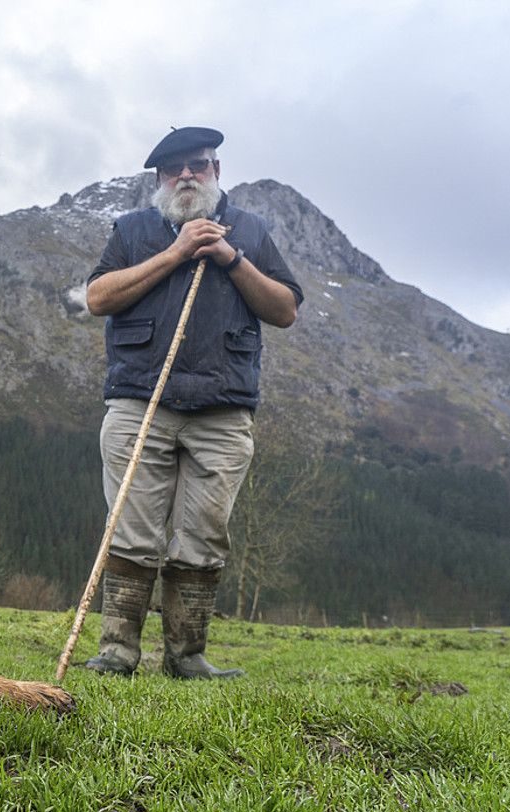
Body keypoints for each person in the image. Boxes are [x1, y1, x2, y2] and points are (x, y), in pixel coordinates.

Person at [83, 126, 302, 679]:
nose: (186, 175)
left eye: (197, 166)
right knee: (130, 528)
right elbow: (98, 297)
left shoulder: (252, 230)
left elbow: (284, 309)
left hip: (223, 410)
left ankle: (186, 657)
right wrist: (178, 253)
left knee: (204, 533)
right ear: (158, 180)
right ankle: (117, 653)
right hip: (140, 402)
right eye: (173, 169)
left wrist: (231, 258)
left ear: (216, 172)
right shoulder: (131, 231)